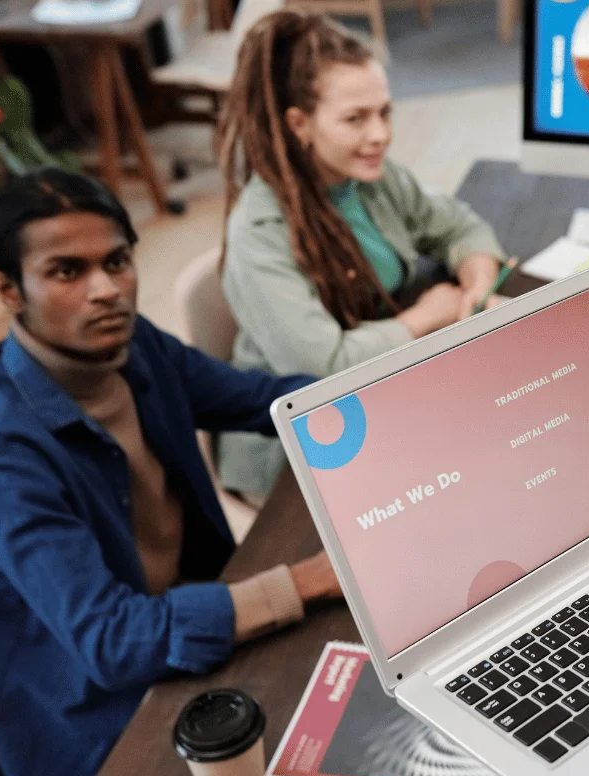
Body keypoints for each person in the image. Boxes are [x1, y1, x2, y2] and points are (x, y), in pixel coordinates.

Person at [0, 169, 344, 776]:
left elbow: (265, 401)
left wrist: (399, 404)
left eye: (117, 262)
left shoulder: (136, 346)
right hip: (97, 720)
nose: (107, 291)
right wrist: (308, 581)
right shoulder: (2, 452)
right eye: (68, 271)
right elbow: (113, 640)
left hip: (196, 624)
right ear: (7, 289)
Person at [216, 10, 507, 498]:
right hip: (298, 452)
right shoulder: (259, 233)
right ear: (299, 124)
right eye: (355, 119)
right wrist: (427, 317)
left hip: (379, 393)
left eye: (385, 112)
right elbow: (324, 368)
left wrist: (475, 287)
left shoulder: (369, 177)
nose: (380, 135)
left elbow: (460, 225)